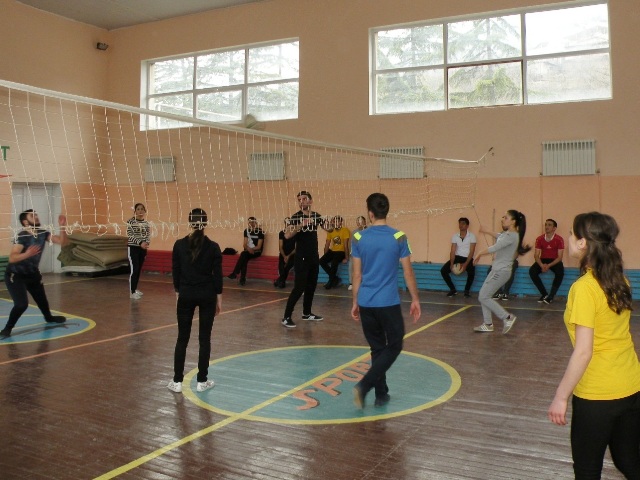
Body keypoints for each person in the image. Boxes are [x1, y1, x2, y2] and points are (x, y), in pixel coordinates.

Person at [548, 212, 640, 479]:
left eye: (571, 234)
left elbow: (584, 351)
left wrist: (561, 397)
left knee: (587, 470)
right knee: (629, 462)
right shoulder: (619, 279)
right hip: (631, 385)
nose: (568, 238)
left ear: (582, 243)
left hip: (597, 396)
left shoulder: (585, 288)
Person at [351, 193, 421, 408]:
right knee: (395, 344)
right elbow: (408, 272)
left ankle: (381, 394)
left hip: (366, 302)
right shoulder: (399, 236)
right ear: (386, 211)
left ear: (370, 213)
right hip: (388, 302)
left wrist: (355, 301)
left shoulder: (358, 237)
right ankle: (365, 385)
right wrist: (415, 299)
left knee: (378, 349)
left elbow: (357, 275)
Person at [167, 208, 222, 394]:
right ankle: (202, 381)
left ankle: (177, 381)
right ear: (205, 223)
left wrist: (178, 293)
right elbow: (217, 276)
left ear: (189, 222)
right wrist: (219, 298)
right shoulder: (213, 247)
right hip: (207, 295)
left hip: (186, 294)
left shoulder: (179, 245)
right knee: (204, 339)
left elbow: (176, 272)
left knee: (182, 338)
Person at [1, 210, 68, 338]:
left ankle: (48, 317)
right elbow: (12, 258)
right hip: (16, 275)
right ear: (25, 222)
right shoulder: (22, 236)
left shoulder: (43, 233)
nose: (36, 217)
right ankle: (7, 328)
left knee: (42, 300)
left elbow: (62, 242)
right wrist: (27, 254)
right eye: (32, 216)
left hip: (33, 274)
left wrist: (62, 227)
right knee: (21, 304)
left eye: (36, 215)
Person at [473, 210, 531, 334]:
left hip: (501, 272)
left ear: (513, 221)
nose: (502, 219)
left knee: (484, 296)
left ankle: (507, 317)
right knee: (483, 295)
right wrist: (487, 231)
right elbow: (499, 236)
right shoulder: (508, 234)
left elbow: (495, 247)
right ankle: (488, 324)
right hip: (496, 270)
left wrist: (479, 253)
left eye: (506, 217)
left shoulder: (512, 236)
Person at [281, 190, 330, 328]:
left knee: (311, 286)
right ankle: (286, 317)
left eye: (304, 199)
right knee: (299, 288)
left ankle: (307, 313)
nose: (301, 201)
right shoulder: (296, 217)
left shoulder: (316, 216)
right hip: (301, 258)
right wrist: (301, 225)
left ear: (310, 201)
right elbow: (287, 235)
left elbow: (329, 229)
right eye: (299, 200)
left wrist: (331, 224)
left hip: (314, 257)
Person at [529, 218, 565, 304]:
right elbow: (536, 255)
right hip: (543, 259)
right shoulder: (539, 239)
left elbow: (560, 257)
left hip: (554, 260)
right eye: (546, 225)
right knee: (532, 271)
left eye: (549, 225)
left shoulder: (559, 239)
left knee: (560, 272)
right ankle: (544, 294)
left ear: (554, 228)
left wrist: (548, 266)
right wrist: (541, 265)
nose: (546, 227)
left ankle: (551, 296)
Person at [440, 217, 476, 298]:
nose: (461, 225)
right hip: (457, 257)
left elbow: (472, 252)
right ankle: (453, 290)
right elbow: (452, 251)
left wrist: (465, 264)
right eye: (459, 223)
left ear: (467, 226)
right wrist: (451, 263)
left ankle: (466, 291)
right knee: (443, 271)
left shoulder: (472, 236)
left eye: (463, 223)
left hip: (467, 258)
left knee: (472, 273)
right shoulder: (455, 236)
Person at [227, 216, 264, 286]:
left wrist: (251, 249)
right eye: (250, 222)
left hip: (256, 252)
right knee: (244, 258)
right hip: (247, 251)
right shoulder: (246, 231)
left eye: (253, 222)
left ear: (255, 223)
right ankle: (242, 280)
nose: (251, 224)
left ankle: (235, 273)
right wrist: (249, 249)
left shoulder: (260, 232)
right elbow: (244, 244)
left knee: (243, 255)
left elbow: (259, 246)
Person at [320, 215, 351, 289]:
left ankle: (330, 281)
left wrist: (347, 258)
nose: (335, 223)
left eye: (337, 222)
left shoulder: (345, 230)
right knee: (321, 261)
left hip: (341, 252)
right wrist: (325, 256)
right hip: (333, 251)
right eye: (334, 222)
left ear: (340, 222)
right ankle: (335, 278)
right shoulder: (331, 230)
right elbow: (327, 244)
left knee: (334, 262)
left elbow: (346, 246)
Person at [127, 203, 150, 300]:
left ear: (145, 211)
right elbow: (130, 235)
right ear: (135, 211)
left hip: (142, 249)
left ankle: (135, 289)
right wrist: (140, 242)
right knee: (134, 270)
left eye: (142, 209)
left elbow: (147, 235)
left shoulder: (146, 223)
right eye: (138, 209)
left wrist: (146, 243)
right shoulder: (131, 222)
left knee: (138, 270)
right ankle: (132, 292)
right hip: (133, 248)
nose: (140, 211)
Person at [274, 217, 296, 289]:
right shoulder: (282, 233)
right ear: (285, 223)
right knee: (281, 266)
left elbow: (296, 248)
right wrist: (284, 256)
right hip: (283, 254)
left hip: (293, 254)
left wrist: (288, 256)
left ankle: (279, 281)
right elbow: (280, 246)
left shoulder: (295, 233)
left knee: (287, 267)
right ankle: (281, 282)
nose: (288, 224)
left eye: (290, 222)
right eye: (287, 222)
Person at [348, 215, 367, 291]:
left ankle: (365, 283)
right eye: (358, 221)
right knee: (351, 265)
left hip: (365, 253)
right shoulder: (354, 232)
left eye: (361, 221)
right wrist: (351, 253)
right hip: (356, 253)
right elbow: (351, 243)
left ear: (365, 222)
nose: (359, 223)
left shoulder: (368, 231)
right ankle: (351, 283)